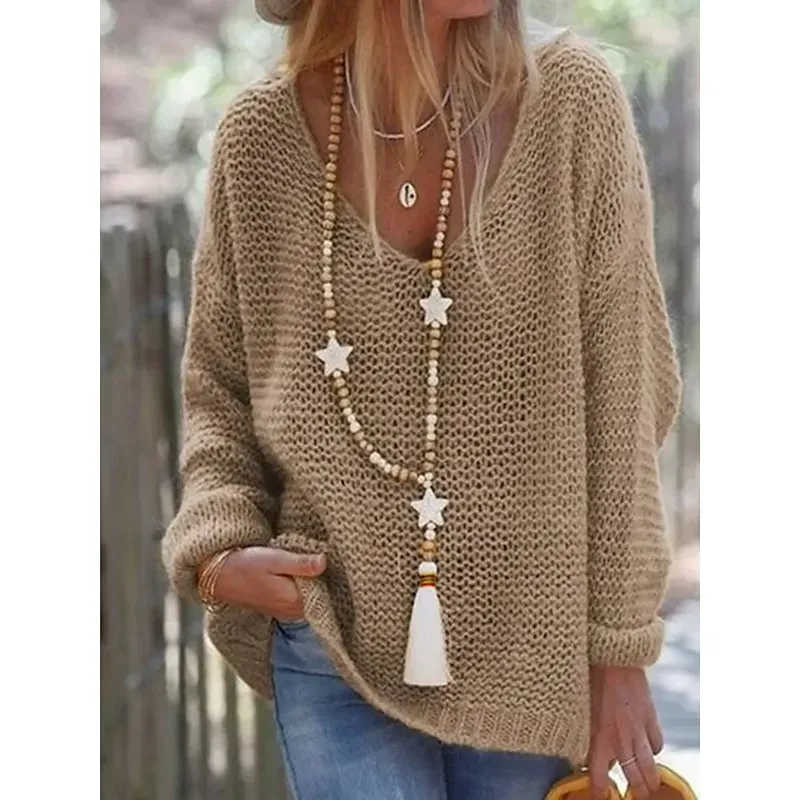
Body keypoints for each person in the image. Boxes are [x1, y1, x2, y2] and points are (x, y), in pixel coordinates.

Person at [161, 1, 682, 798]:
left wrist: (620, 651)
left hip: (528, 647)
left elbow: (626, 396)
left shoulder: (572, 102)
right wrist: (219, 549)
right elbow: (219, 390)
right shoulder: (260, 139)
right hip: (332, 636)